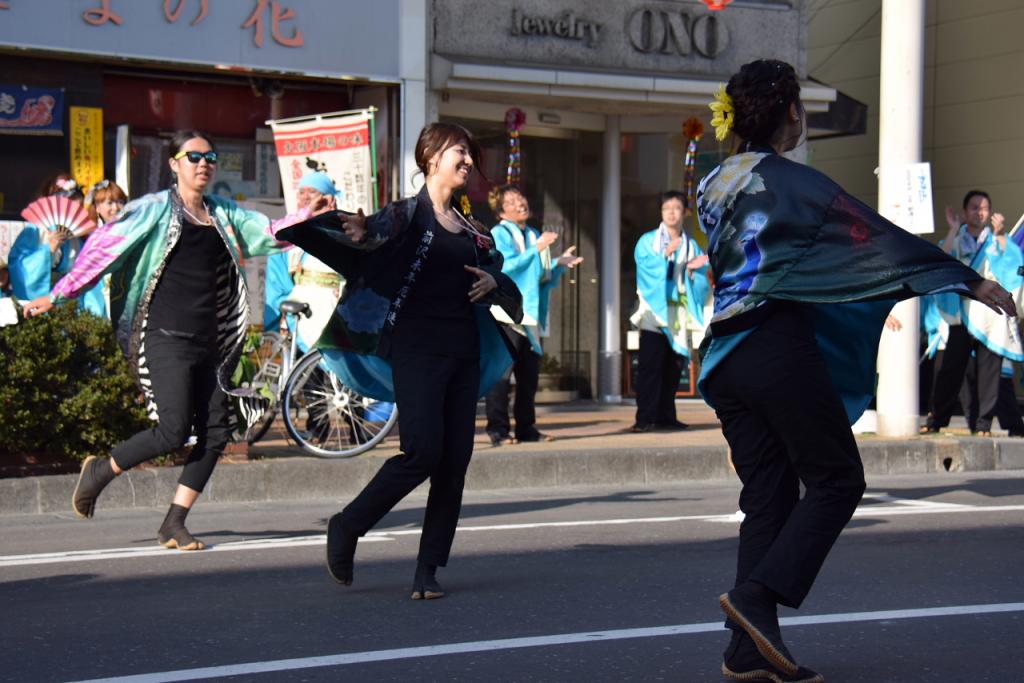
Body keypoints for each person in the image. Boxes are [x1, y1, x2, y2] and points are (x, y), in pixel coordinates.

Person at [696, 59, 1015, 682]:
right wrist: (965, 278)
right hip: (773, 346)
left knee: (768, 500)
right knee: (837, 480)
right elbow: (874, 239)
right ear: (791, 111)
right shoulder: (793, 182)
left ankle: (745, 649)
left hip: (724, 355)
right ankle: (757, 598)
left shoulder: (713, 183)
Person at [24, 130, 310, 551]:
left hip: (215, 342)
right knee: (174, 430)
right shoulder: (154, 210)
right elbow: (104, 248)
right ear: (175, 164)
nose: (203, 163)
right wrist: (59, 292)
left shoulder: (225, 215)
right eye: (193, 156)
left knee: (217, 433)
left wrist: (313, 219)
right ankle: (101, 471)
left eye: (210, 156)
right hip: (165, 336)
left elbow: (271, 233)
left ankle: (173, 523)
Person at [277, 122, 522, 600]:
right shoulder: (408, 215)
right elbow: (373, 232)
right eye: (458, 152)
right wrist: (359, 228)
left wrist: (494, 284)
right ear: (430, 158)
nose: (467, 161)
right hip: (416, 348)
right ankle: (348, 526)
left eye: (470, 154)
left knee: (455, 462)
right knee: (423, 452)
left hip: (463, 351)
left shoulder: (475, 230)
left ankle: (427, 570)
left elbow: (498, 275)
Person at [483, 184, 582, 446]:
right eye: (513, 201)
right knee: (501, 376)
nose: (520, 203)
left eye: (521, 198)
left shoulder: (534, 234)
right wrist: (536, 250)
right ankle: (498, 430)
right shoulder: (498, 234)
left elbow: (540, 275)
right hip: (507, 313)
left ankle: (527, 428)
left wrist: (559, 264)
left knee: (529, 376)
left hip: (530, 313)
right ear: (501, 211)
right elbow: (504, 268)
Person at [921, 191, 1024, 436]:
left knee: (990, 372)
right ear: (966, 211)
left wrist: (1000, 237)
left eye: (984, 208)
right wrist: (953, 229)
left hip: (990, 315)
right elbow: (941, 261)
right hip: (963, 314)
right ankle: (937, 419)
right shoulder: (957, 239)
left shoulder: (998, 239)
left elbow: (1011, 268)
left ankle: (983, 425)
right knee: (951, 369)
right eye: (975, 207)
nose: (980, 212)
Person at [629, 190, 711, 433]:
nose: (672, 213)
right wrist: (663, 256)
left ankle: (666, 415)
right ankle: (645, 418)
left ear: (685, 212)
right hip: (655, 314)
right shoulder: (648, 241)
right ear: (661, 213)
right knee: (650, 366)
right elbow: (644, 269)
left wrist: (696, 272)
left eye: (676, 208)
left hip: (678, 314)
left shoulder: (691, 245)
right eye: (667, 208)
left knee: (673, 367)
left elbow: (702, 279)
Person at [8, 173, 106, 317]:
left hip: (73, 306)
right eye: (70, 206)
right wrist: (48, 251)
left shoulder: (78, 238)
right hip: (41, 303)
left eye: (78, 207)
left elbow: (86, 277)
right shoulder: (34, 232)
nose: (74, 211)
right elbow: (18, 267)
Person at [83, 179, 129, 317]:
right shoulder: (92, 239)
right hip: (101, 297)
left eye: (120, 202)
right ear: (97, 206)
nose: (115, 208)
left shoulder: (132, 231)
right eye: (109, 203)